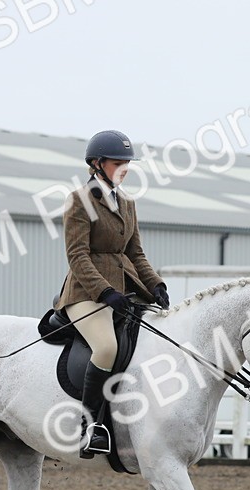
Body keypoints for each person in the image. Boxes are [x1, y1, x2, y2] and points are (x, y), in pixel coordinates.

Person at [56, 129, 170, 457]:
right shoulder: (80, 201)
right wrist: (104, 292)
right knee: (106, 347)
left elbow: (135, 254)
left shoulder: (128, 203)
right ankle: (89, 426)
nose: (124, 168)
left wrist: (155, 284)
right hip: (85, 294)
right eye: (118, 162)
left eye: (127, 163)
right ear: (96, 163)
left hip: (124, 291)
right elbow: (77, 255)